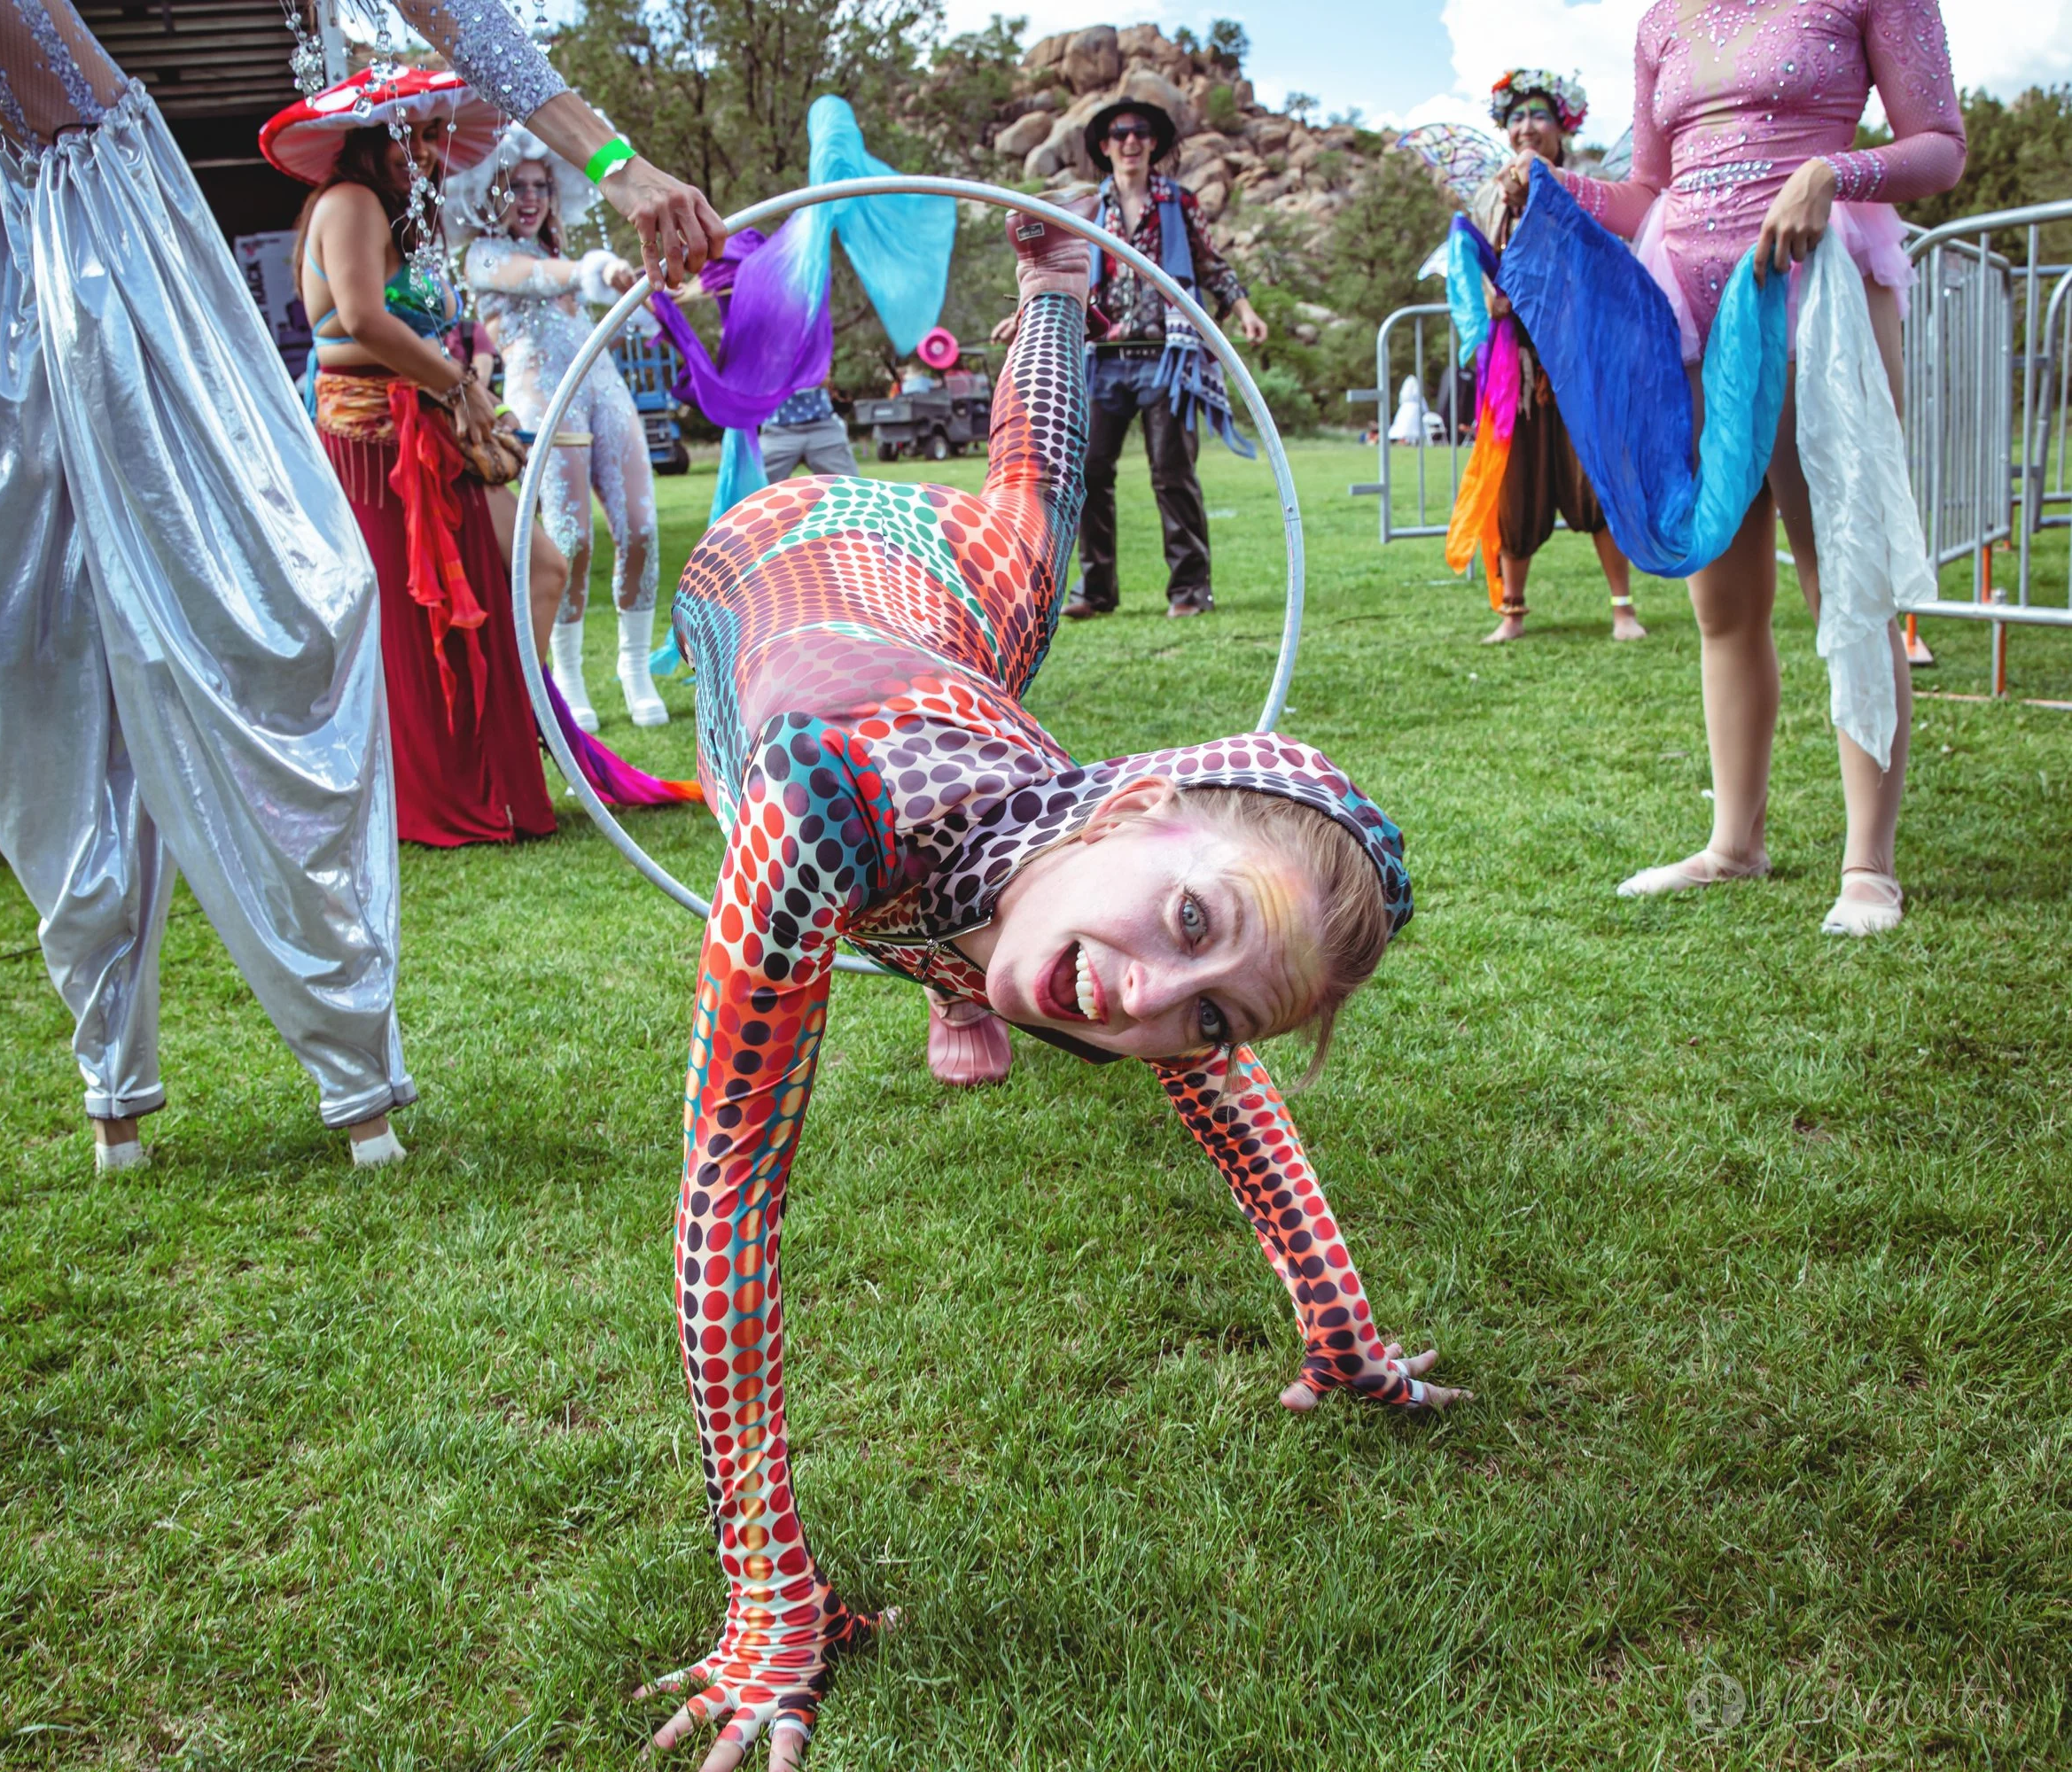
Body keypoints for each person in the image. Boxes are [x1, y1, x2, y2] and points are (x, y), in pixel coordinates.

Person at [637, 213, 1464, 1772]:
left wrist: (1343, 1329)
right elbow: (728, 1194)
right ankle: (1050, 292)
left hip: (943, 720)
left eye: (1214, 1004)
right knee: (1031, 523)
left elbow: (1213, 1068)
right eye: (1194, 921)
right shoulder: (824, 798)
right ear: (1132, 807)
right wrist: (768, 1597)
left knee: (1063, 960)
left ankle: (969, 977)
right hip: (795, 573)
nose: (1157, 999)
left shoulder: (1125, 909)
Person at [0, 0, 723, 1170]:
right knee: (30, 654)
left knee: (258, 627)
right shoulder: (352, 208)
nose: (427, 154)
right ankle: (115, 1077)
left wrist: (611, 160)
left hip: (105, 207)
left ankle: (352, 1069)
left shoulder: (368, 206)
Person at [1502, 0, 1964, 935]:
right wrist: (1555, 188)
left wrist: (1833, 172)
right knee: (1722, 602)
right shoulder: (1661, 20)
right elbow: (1643, 189)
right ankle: (1733, 843)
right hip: (1686, 301)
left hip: (1815, 288)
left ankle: (1867, 864)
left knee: (1843, 579)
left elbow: (1942, 147)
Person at [273, 72, 564, 849]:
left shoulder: (398, 216)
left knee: (534, 569)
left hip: (431, 429)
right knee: (413, 617)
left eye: (438, 135)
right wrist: (460, 384)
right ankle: (442, 786)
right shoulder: (350, 203)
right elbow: (362, 320)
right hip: (375, 443)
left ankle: (509, 749)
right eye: (417, 135)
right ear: (373, 137)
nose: (430, 152)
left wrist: (458, 386)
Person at [450, 127, 671, 730]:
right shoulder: (486, 255)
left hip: (606, 393)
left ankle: (634, 668)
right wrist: (594, 269)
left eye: (541, 186)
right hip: (546, 402)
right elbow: (538, 278)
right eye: (515, 186)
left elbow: (604, 305)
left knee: (642, 526)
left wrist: (641, 298)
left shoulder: (563, 258)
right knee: (570, 544)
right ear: (488, 194)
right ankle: (569, 678)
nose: (530, 198)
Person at [1052, 100, 1268, 621]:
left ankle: (1190, 591)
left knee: (1172, 473)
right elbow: (1065, 272)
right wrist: (1026, 316)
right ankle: (1095, 590)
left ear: (1153, 144)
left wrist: (1244, 310)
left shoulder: (1179, 202)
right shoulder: (1087, 209)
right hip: (1101, 359)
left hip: (1166, 358)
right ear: (1104, 147)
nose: (1130, 141)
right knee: (1090, 473)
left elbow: (1210, 264)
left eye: (1140, 133)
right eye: (1119, 133)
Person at [1469, 74, 1642, 645]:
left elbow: (1602, 261)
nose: (1527, 126)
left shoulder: (1588, 188)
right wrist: (1490, 298)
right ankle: (1513, 613)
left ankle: (1623, 609)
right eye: (1517, 117)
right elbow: (1479, 266)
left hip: (1578, 357)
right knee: (1514, 487)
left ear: (1562, 125)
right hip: (1514, 364)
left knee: (1596, 477)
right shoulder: (1489, 197)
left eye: (1539, 115)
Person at [759, 381, 857, 478]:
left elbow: (824, 376)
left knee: (851, 486)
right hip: (777, 429)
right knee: (754, 488)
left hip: (823, 424)